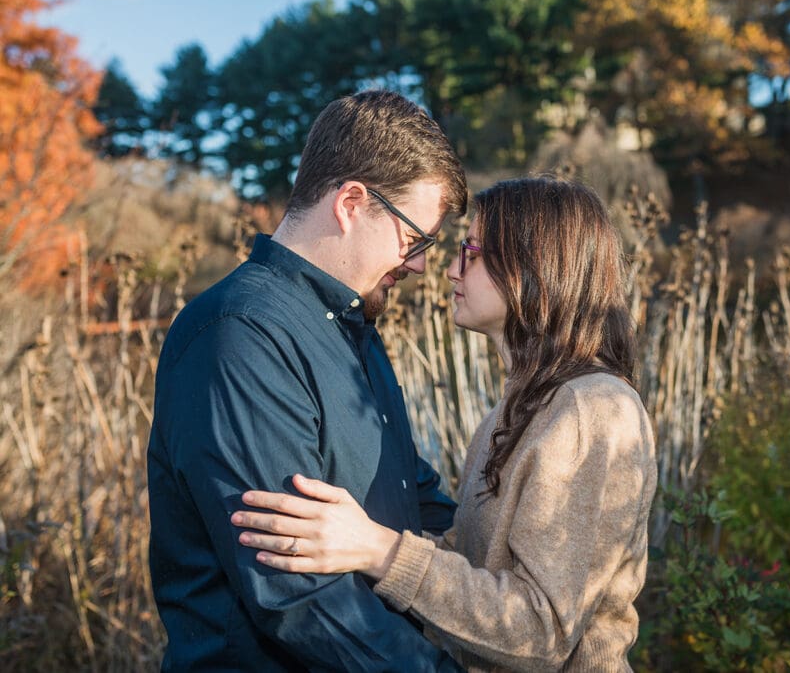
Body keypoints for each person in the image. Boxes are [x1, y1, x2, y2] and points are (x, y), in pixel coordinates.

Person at [231, 177, 659, 671]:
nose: (451, 270)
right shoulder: (517, 409)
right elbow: (472, 562)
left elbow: (542, 633)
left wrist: (378, 549)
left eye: (471, 252)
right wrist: (342, 538)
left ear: (535, 267)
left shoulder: (593, 409)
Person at [147, 90, 468, 671]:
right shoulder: (240, 336)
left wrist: (507, 593)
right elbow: (294, 592)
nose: (420, 264)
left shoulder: (351, 327)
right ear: (351, 203)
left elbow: (410, 496)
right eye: (415, 239)